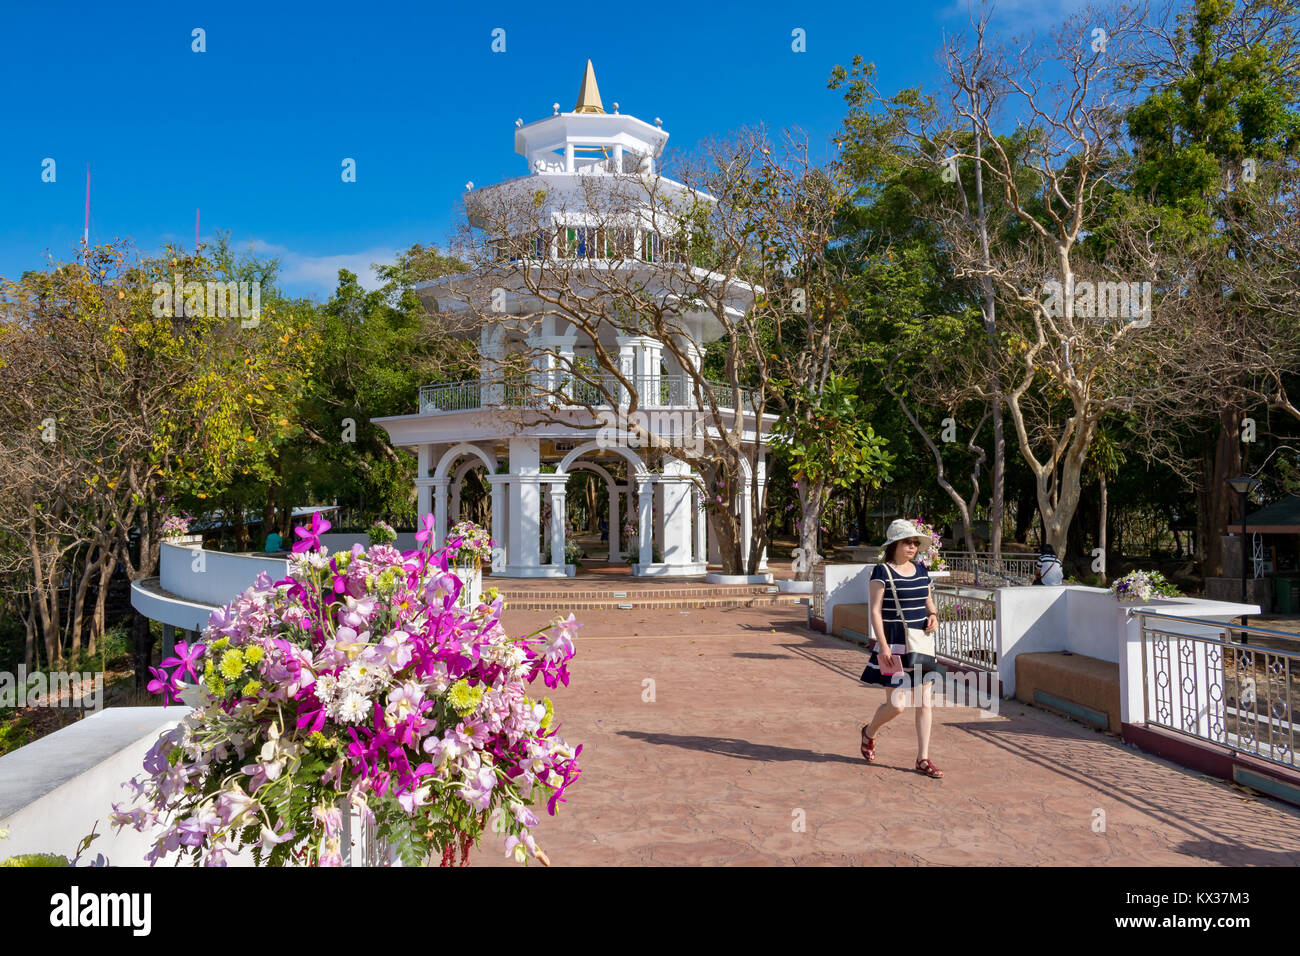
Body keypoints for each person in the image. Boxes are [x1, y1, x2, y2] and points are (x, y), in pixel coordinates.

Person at [859, 519, 945, 778]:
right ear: (894, 544)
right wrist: (882, 646)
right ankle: (869, 732)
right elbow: (874, 611)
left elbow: (928, 601)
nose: (913, 547)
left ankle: (923, 758)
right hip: (894, 644)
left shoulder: (921, 571)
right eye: (908, 542)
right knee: (896, 705)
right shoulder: (881, 572)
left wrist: (934, 615)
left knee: (924, 703)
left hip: (919, 643)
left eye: (915, 543)